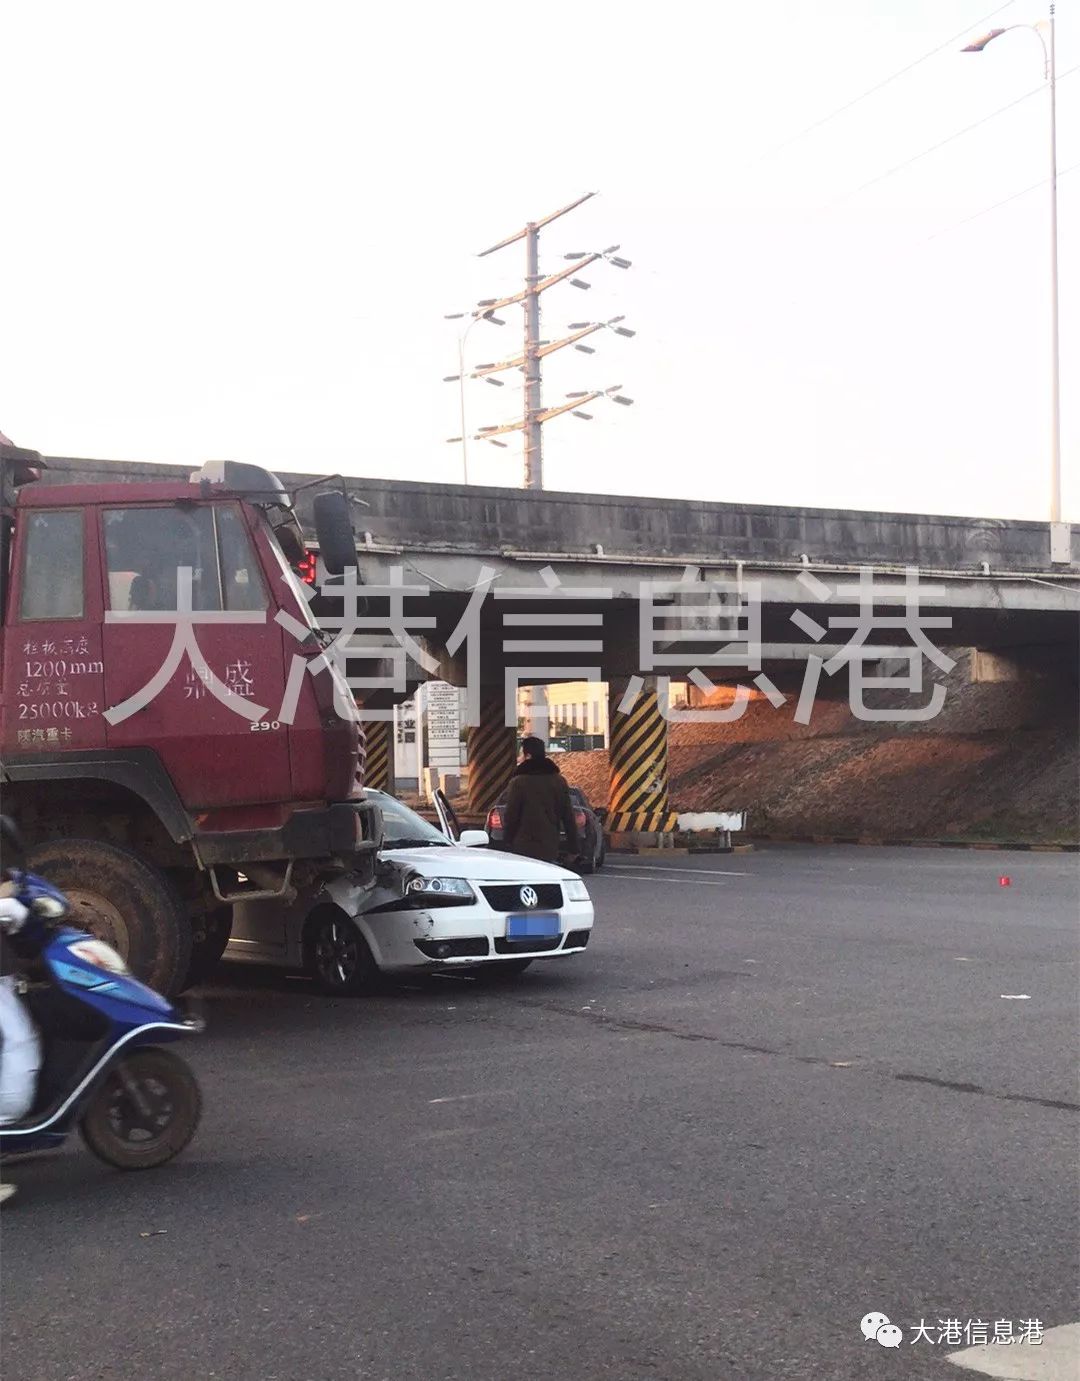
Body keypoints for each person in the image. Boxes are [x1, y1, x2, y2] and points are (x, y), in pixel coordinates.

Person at [503, 736, 580, 865]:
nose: (519, 758)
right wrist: (574, 848)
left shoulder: (518, 782)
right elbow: (568, 817)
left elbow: (511, 816)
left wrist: (506, 844)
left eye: (521, 754)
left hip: (522, 847)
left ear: (527, 756)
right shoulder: (558, 781)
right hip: (549, 846)